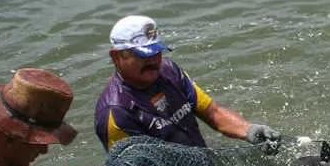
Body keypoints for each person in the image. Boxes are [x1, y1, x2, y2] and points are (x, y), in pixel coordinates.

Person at [93, 15, 282, 153]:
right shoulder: (116, 113)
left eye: (156, 52)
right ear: (117, 56)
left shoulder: (170, 71)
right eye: (143, 54)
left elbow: (214, 113)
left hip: (203, 163)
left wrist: (249, 130)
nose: (152, 60)